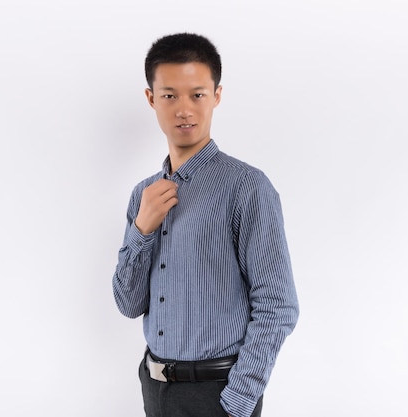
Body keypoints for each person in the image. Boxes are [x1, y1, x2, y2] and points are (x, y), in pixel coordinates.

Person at [112, 32, 299, 417]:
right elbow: (129, 304)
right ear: (151, 99)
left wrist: (238, 401)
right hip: (155, 388)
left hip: (218, 395)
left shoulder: (246, 187)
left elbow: (278, 305)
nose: (184, 109)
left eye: (197, 94)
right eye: (169, 95)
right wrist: (141, 230)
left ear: (216, 95)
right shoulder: (142, 196)